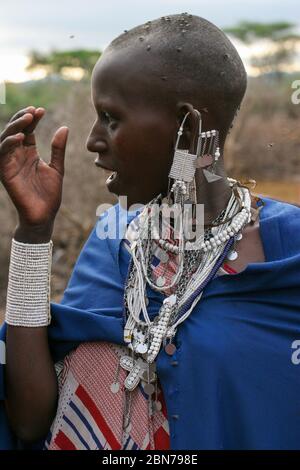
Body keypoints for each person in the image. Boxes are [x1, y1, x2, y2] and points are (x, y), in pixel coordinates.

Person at [0, 13, 300, 450]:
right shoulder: (116, 240)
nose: (92, 140)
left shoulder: (287, 252)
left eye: (111, 118)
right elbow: (30, 421)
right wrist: (34, 231)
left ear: (187, 127)